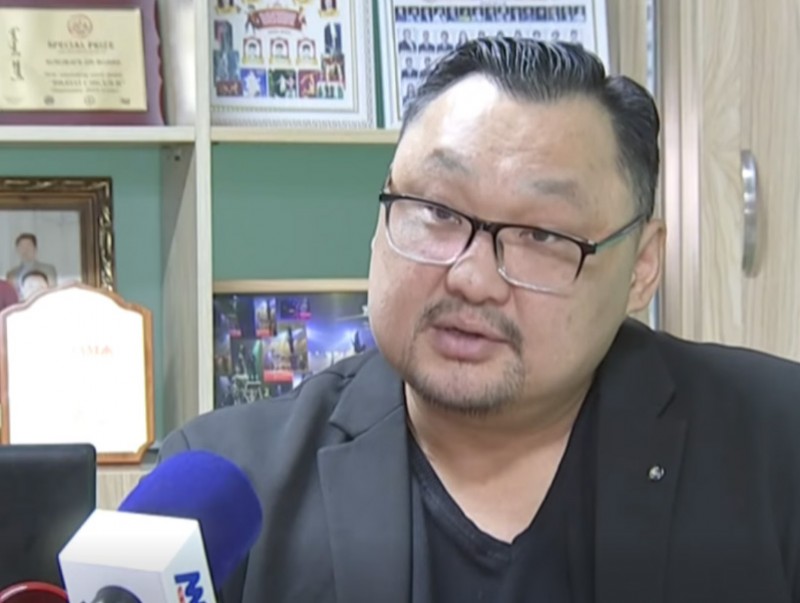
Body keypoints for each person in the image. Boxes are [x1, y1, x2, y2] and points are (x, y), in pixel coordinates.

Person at [160, 38, 800, 602]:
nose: (471, 277)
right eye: (437, 211)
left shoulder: (777, 446)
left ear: (642, 266)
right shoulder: (226, 486)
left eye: (541, 234)